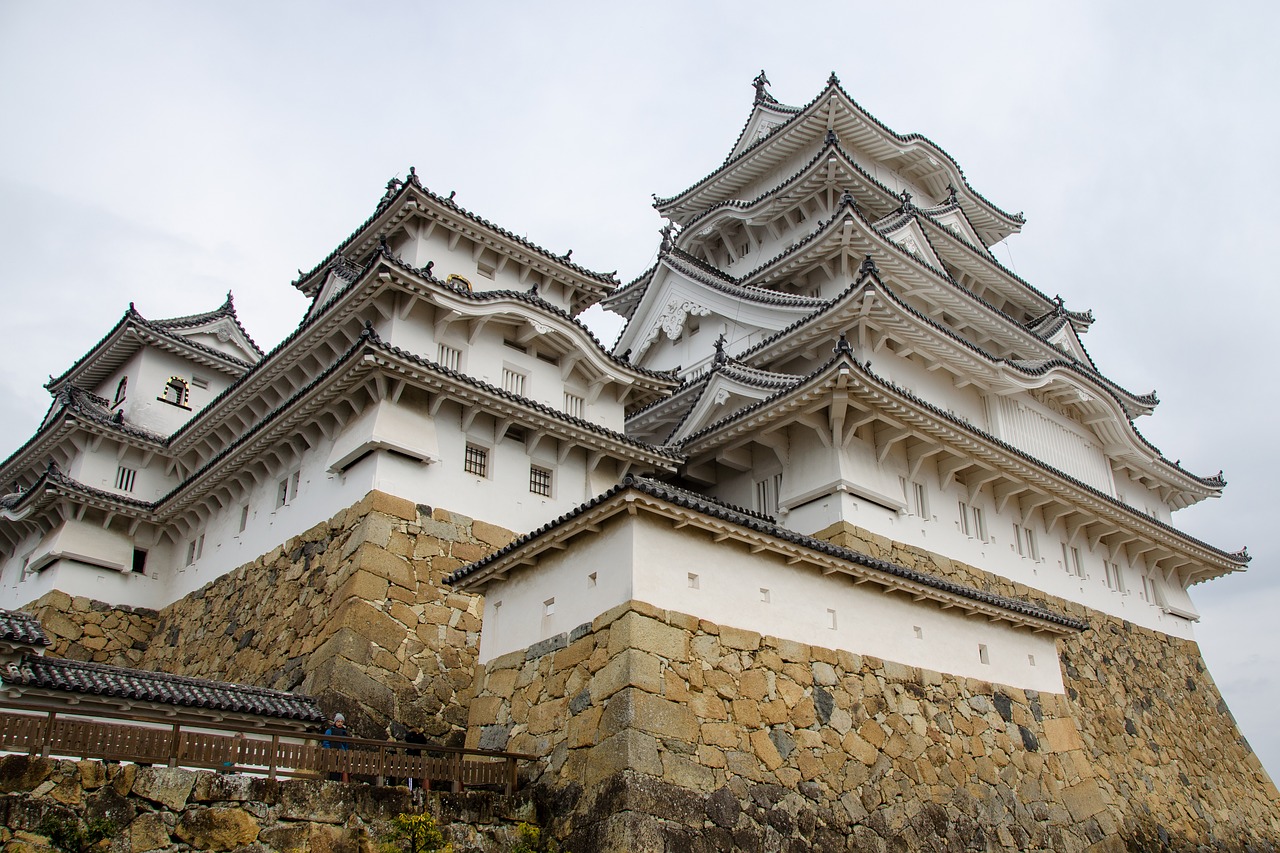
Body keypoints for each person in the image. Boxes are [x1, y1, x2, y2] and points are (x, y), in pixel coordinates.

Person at [322, 713, 350, 782]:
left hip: (341, 754)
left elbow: (346, 745)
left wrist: (345, 754)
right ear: (335, 722)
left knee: (341, 771)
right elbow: (326, 742)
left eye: (341, 722)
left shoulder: (344, 733)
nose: (340, 723)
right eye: (338, 721)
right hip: (332, 754)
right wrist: (330, 751)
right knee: (333, 770)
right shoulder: (330, 731)